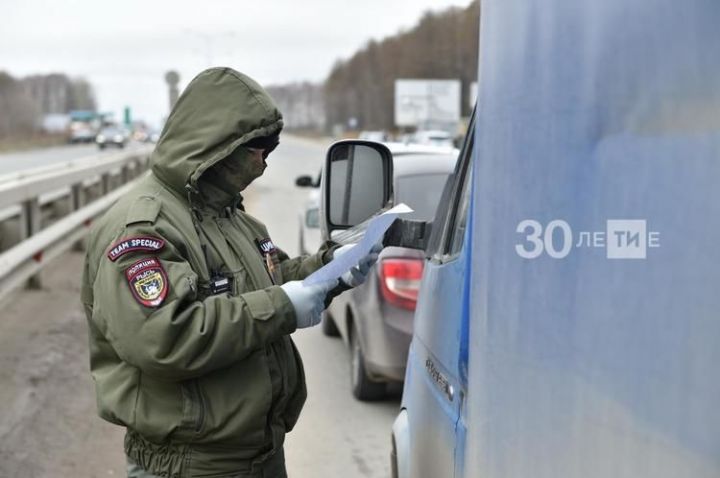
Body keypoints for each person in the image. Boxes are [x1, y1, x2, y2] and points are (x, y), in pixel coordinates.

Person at [80, 67, 380, 478]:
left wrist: (332, 267)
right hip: (189, 467)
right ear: (218, 144)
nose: (264, 159)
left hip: (257, 456)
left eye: (271, 148)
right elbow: (166, 336)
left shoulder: (229, 215)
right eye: (258, 145)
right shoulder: (144, 228)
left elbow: (274, 276)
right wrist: (283, 307)